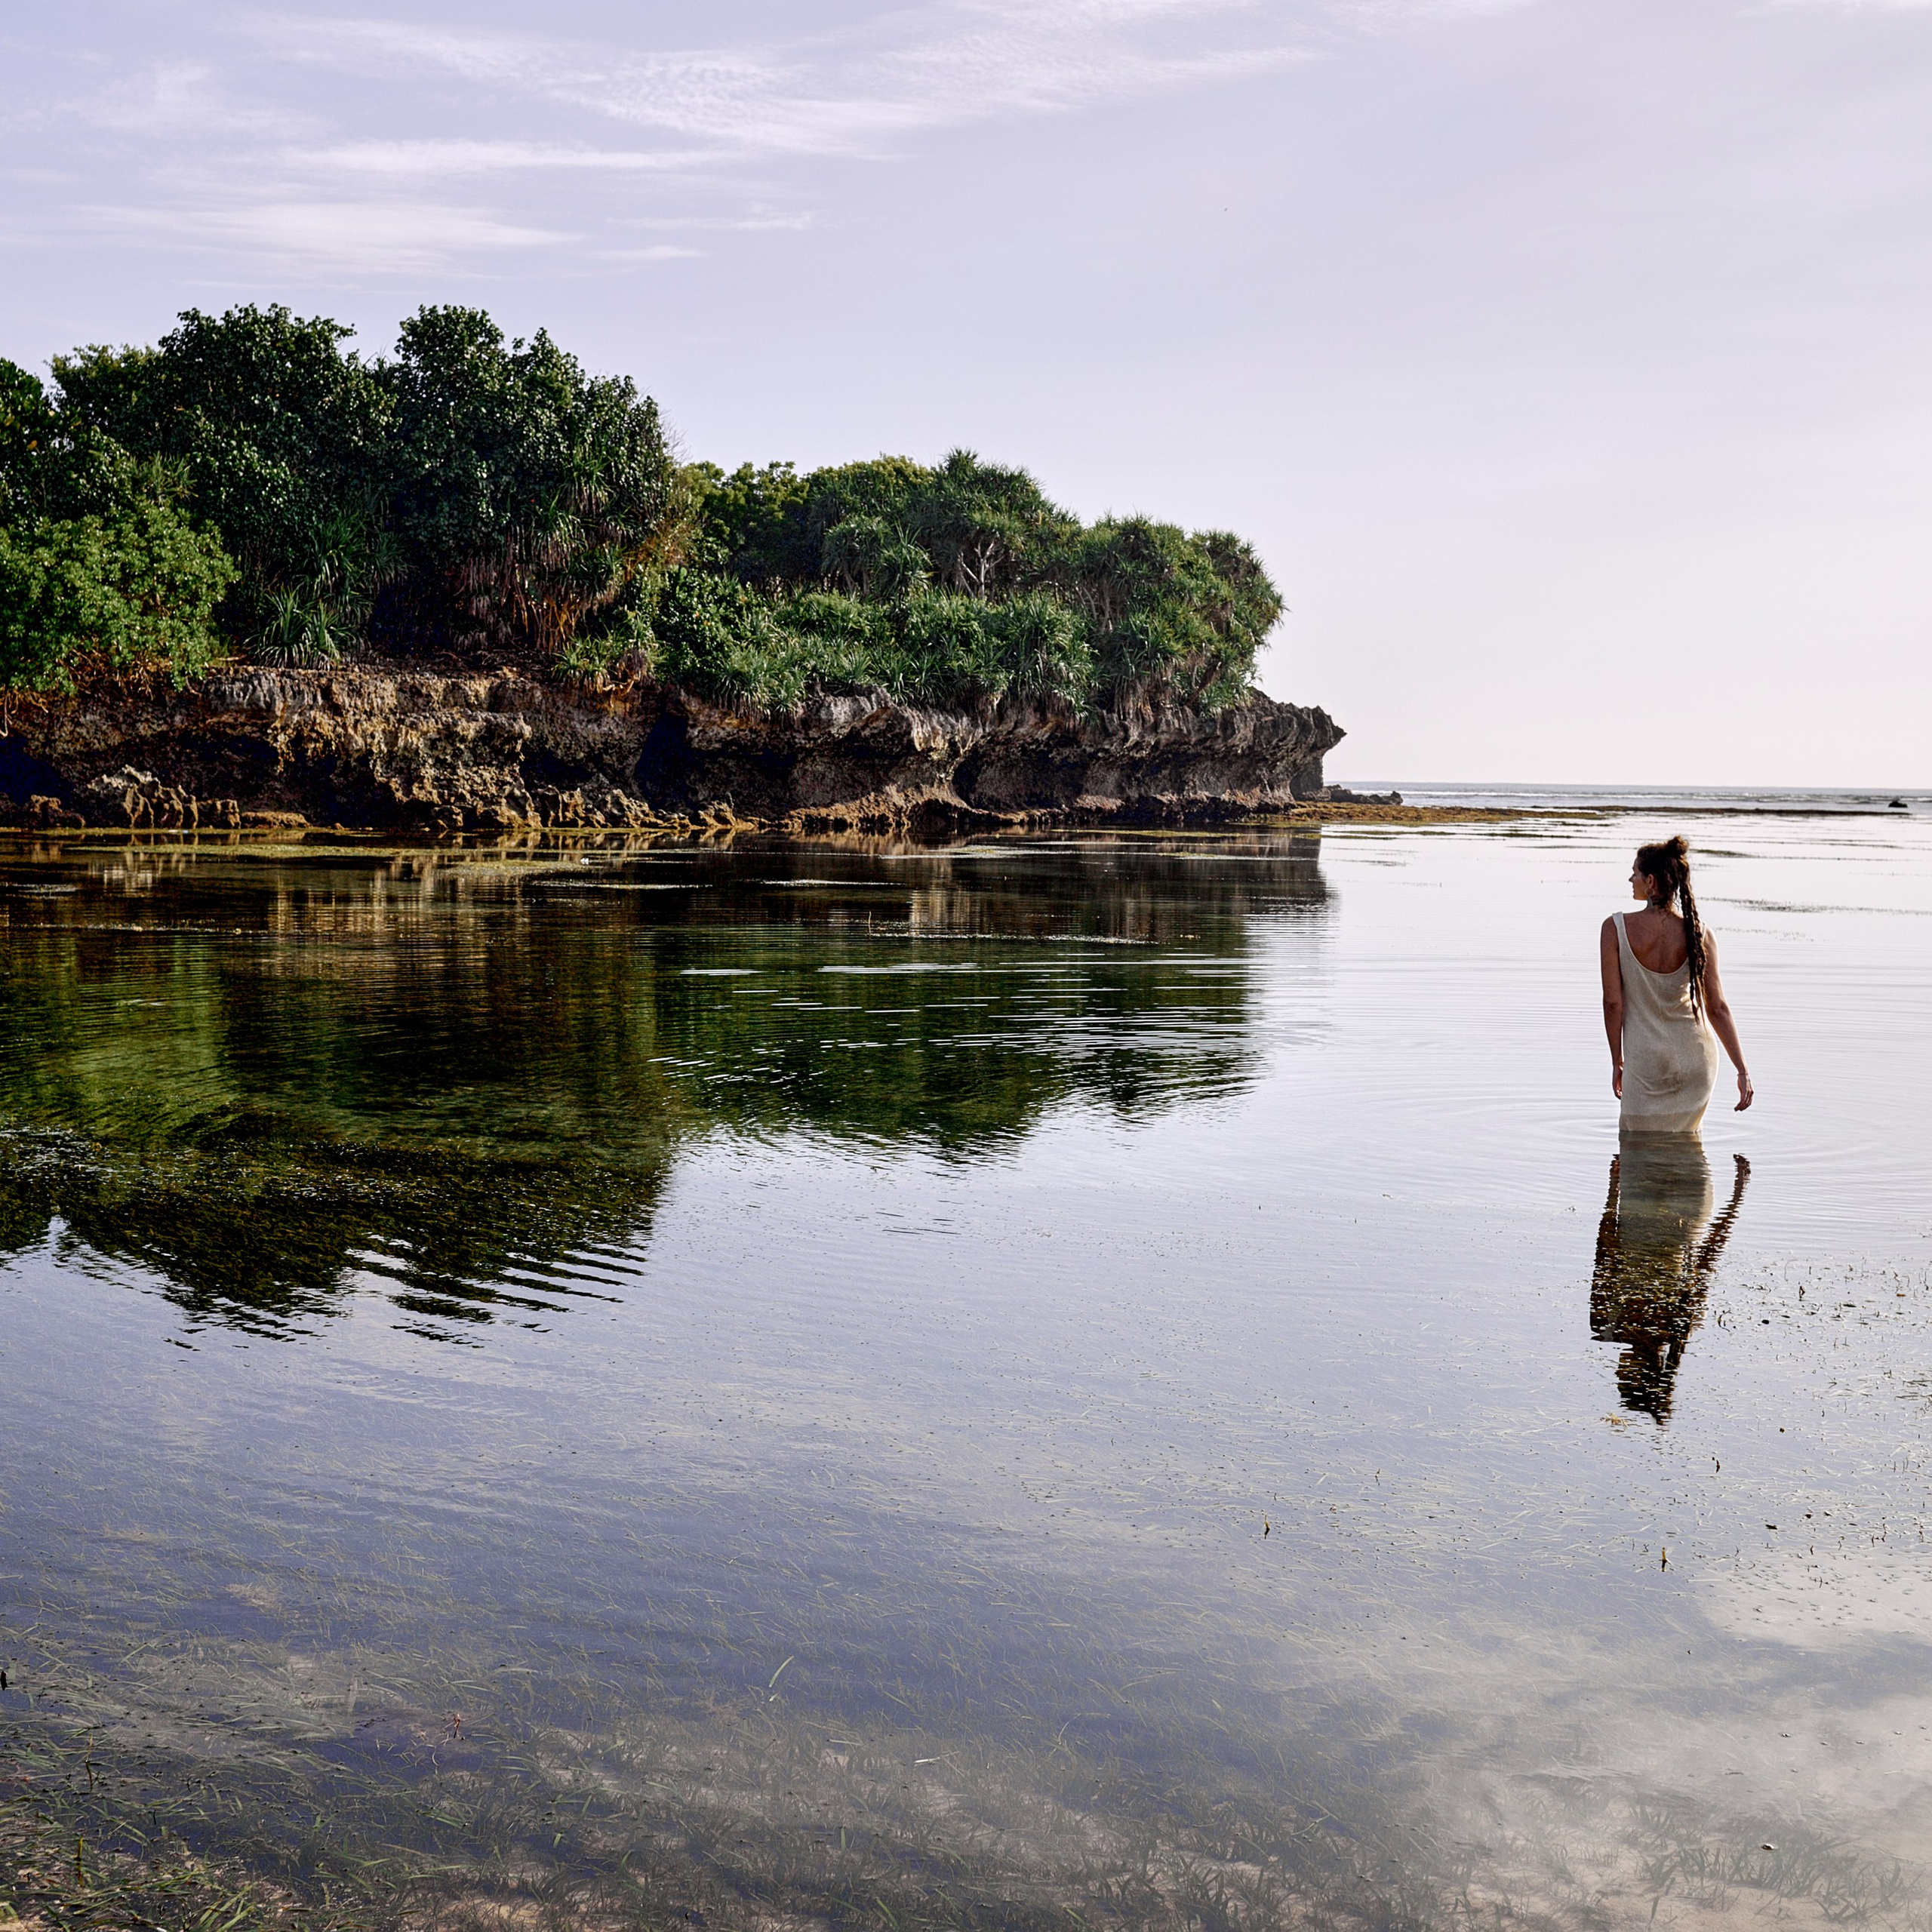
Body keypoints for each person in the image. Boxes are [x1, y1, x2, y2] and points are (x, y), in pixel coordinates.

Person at [1599, 835, 1752, 1134]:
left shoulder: (1614, 929)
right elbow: (1717, 1008)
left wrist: (1617, 1060)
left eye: (1636, 873)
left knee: (1637, 1155)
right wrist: (1742, 1070)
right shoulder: (1700, 933)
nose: (1631, 879)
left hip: (1645, 1061)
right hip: (1696, 1060)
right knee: (1688, 1156)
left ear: (1651, 881)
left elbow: (1613, 1003)